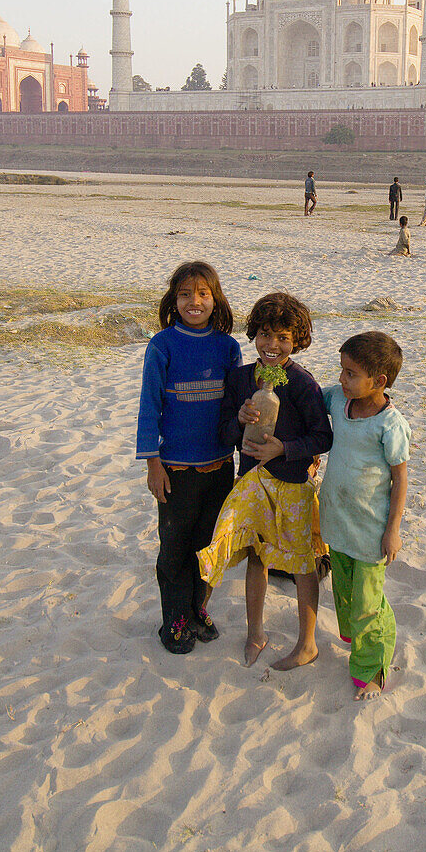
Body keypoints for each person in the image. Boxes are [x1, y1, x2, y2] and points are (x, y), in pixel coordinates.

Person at [198, 292, 333, 670]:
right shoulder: (241, 379)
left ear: (298, 341)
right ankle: (255, 632)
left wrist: (284, 449)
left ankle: (307, 642)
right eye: (266, 334)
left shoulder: (303, 384)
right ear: (254, 334)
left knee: (303, 561)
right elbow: (225, 433)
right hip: (252, 481)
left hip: (292, 484)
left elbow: (323, 437)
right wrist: (239, 420)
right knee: (257, 555)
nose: (273, 345)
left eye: (284, 339)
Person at [136, 262, 242, 654]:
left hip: (219, 466)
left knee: (206, 546)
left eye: (202, 294)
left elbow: (234, 406)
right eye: (184, 294)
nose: (193, 301)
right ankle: (175, 621)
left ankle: (197, 610)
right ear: (173, 299)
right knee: (175, 547)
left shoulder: (228, 348)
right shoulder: (162, 344)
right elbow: (149, 407)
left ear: (216, 300)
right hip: (175, 470)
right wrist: (152, 463)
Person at [319, 331, 411, 700]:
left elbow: (400, 478)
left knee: (368, 605)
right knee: (344, 591)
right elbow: (308, 398)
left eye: (351, 373)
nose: (342, 379)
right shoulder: (339, 400)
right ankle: (356, 636)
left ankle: (372, 669)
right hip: (336, 520)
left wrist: (393, 531)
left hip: (370, 530)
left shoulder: (390, 425)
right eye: (341, 370)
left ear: (380, 381)